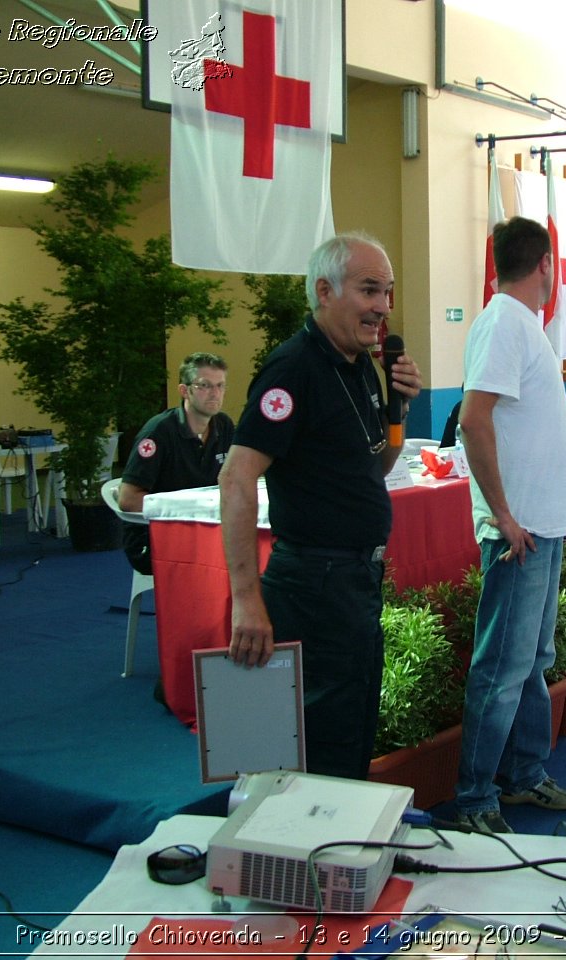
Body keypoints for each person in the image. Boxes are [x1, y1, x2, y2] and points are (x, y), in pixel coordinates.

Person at [218, 233, 421, 781]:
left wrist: (399, 409)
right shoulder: (293, 368)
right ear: (325, 291)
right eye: (369, 290)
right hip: (315, 580)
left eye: (388, 292)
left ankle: (338, 845)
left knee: (351, 723)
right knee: (322, 735)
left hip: (353, 577)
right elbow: (236, 480)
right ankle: (312, 851)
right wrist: (245, 600)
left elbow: (372, 466)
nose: (382, 306)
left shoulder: (355, 364)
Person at [454, 216, 566, 835]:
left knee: (531, 658)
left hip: (542, 524)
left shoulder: (523, 325)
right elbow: (473, 421)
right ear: (547, 266)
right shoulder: (504, 320)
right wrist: (503, 516)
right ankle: (476, 797)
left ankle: (525, 776)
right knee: (502, 666)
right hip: (520, 529)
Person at [118, 352, 235, 574]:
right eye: (205, 386)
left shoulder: (224, 426)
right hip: (155, 536)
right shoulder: (158, 432)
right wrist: (192, 510)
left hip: (205, 529)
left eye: (220, 386)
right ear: (184, 391)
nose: (215, 394)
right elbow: (128, 499)